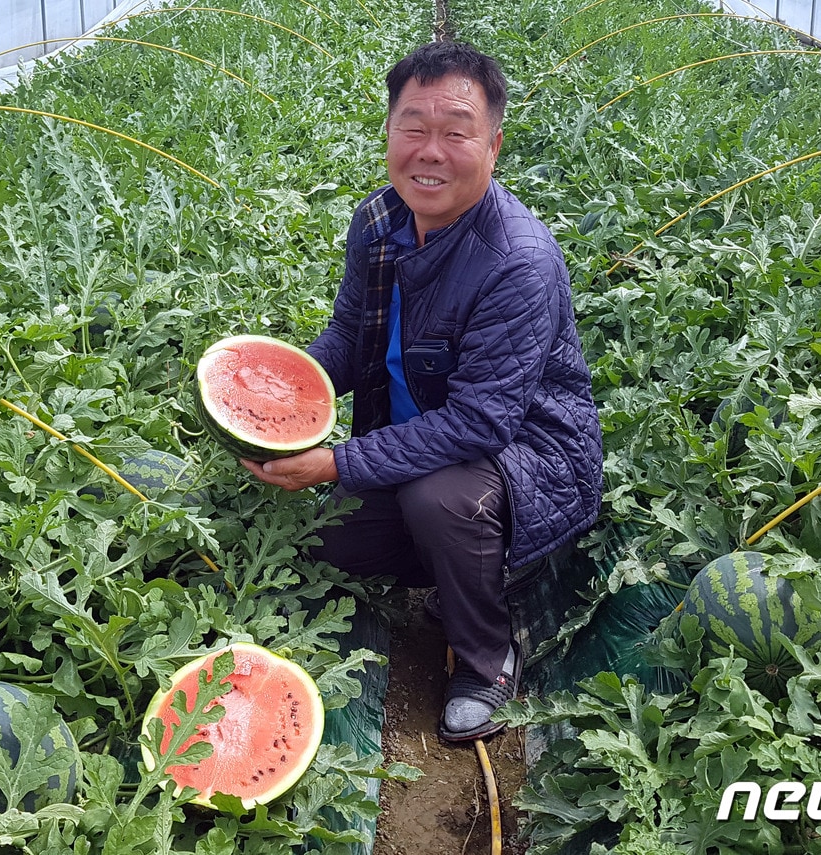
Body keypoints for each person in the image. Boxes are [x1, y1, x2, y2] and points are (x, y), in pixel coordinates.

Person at [242, 40, 603, 742]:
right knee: (325, 545)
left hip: (525, 462)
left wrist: (336, 462)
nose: (429, 151)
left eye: (455, 131)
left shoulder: (517, 261)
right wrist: (279, 399)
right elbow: (348, 339)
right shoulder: (378, 223)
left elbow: (478, 424)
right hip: (423, 449)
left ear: (493, 145)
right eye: (413, 127)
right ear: (389, 134)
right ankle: (453, 563)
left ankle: (487, 655)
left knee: (439, 496)